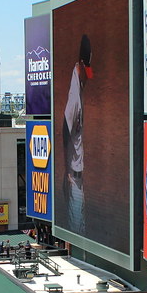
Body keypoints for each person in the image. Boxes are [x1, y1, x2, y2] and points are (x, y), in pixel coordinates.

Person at [62, 34, 92, 234]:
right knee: (77, 229)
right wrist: (67, 171)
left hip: (78, 178)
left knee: (81, 226)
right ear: (81, 63)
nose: (88, 76)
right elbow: (65, 126)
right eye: (87, 69)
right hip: (74, 178)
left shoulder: (78, 84)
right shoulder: (74, 95)